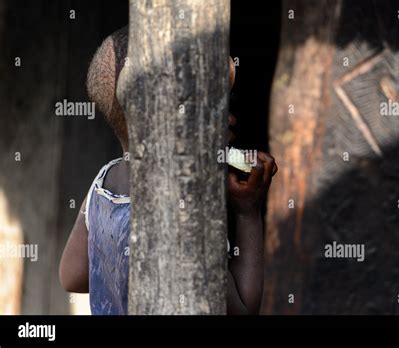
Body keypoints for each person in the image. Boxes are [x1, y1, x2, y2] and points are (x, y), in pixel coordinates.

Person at [59, 27, 277, 315]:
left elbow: (71, 275)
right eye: (214, 105)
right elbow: (242, 309)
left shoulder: (104, 182)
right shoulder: (182, 213)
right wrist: (247, 212)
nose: (232, 119)